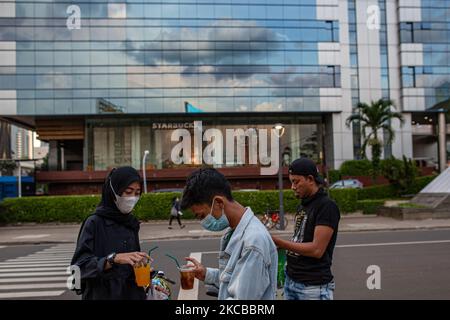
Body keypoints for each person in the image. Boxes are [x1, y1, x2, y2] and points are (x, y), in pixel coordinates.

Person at [180, 168, 277, 300]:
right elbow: (235, 281)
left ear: (219, 203)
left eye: (202, 215)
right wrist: (206, 274)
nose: (203, 222)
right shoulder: (233, 231)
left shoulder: (253, 241)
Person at [71, 166, 150, 300]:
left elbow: (129, 268)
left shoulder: (131, 223)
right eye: (128, 192)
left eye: (137, 193)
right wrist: (112, 259)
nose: (132, 198)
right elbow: (78, 270)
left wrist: (147, 273)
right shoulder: (94, 222)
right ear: (113, 192)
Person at [272, 158, 340, 300]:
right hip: (291, 281)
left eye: (296, 181)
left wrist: (280, 243)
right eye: (291, 182)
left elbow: (316, 250)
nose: (292, 187)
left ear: (310, 179)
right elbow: (299, 241)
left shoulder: (326, 206)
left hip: (312, 288)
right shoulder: (303, 205)